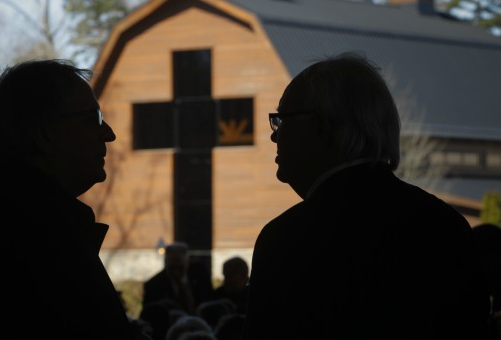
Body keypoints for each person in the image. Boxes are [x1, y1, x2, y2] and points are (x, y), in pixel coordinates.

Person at [243, 51, 491, 339]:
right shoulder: (445, 223)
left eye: (282, 121)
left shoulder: (287, 239)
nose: (275, 136)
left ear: (321, 127)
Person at [0, 59, 134, 339]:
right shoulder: (22, 231)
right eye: (93, 118)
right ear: (44, 134)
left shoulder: (15, 218)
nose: (109, 133)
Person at [142, 242, 213, 315]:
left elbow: (210, 301)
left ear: (187, 262)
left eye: (180, 267)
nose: (176, 272)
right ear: (165, 263)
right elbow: (148, 314)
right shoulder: (153, 286)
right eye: (171, 268)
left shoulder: (200, 274)